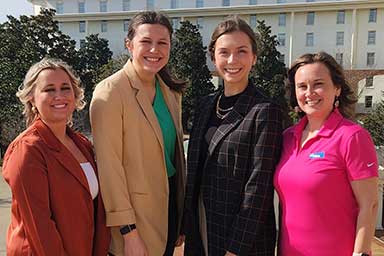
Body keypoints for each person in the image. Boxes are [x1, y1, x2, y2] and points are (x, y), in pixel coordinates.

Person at [183, 16, 283, 256]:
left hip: (242, 241)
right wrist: (186, 224)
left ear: (254, 57)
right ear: (213, 57)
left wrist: (236, 248)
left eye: (241, 51)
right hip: (202, 229)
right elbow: (194, 172)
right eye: (224, 52)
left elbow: (258, 189)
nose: (232, 60)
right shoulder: (205, 105)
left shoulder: (264, 111)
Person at [90, 11, 186, 256]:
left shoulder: (171, 93)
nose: (154, 49)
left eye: (162, 43)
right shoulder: (110, 92)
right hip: (134, 220)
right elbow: (110, 169)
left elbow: (175, 159)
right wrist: (128, 231)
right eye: (146, 41)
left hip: (168, 210)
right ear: (129, 44)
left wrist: (181, 215)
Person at [2, 58, 110, 255]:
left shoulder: (81, 143)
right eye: (49, 89)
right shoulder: (27, 149)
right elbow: (40, 226)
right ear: (32, 98)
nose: (59, 96)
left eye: (65, 88)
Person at [274, 52, 378, 256]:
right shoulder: (286, 138)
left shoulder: (352, 137)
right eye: (302, 86)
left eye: (318, 84)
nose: (310, 92)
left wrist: (361, 254)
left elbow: (370, 204)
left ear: (337, 89)